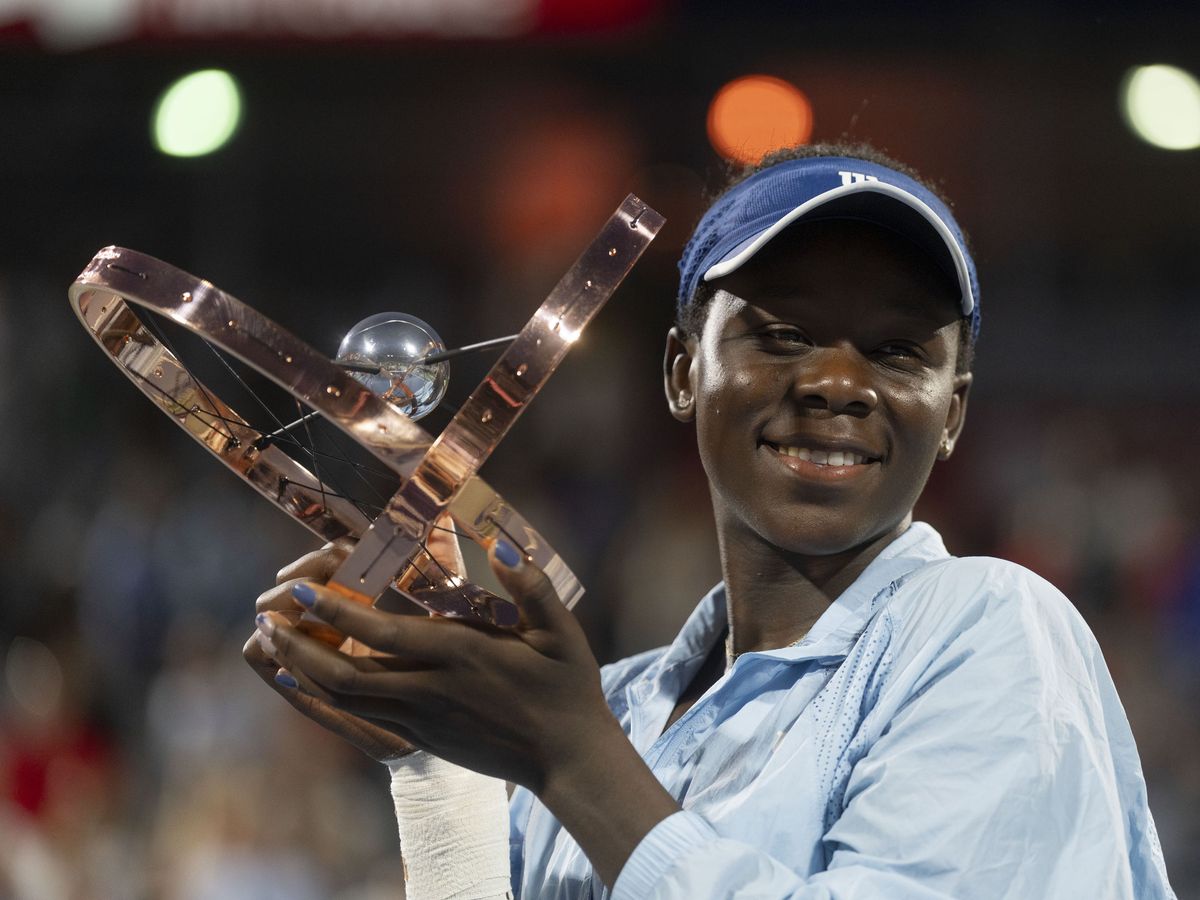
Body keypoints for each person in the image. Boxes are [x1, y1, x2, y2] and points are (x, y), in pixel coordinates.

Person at [244, 143, 1177, 899]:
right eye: (784, 335)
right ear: (683, 373)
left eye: (896, 350)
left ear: (953, 414)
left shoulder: (991, 628)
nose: (839, 384)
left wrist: (572, 763)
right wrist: (437, 772)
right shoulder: (616, 708)